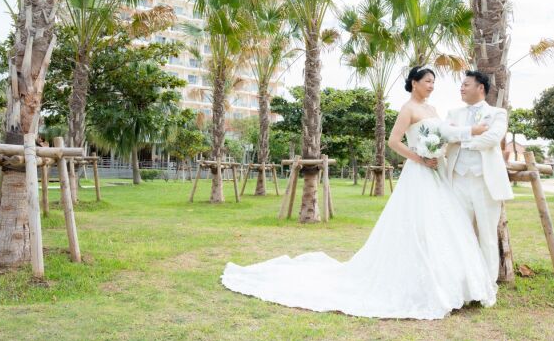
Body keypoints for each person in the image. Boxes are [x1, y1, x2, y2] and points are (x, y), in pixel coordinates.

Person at [220, 66, 497, 319]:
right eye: (427, 82)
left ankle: (455, 285)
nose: (431, 86)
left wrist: (458, 139)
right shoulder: (408, 108)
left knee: (443, 226)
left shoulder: (434, 109)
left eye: (433, 83)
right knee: (416, 225)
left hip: (436, 174)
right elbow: (393, 141)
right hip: (418, 173)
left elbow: (445, 133)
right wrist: (418, 157)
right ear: (414, 83)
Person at [440, 70, 514, 283]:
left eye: (466, 84)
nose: (461, 88)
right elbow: (446, 134)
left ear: (480, 87)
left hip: (485, 182)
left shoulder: (498, 113)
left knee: (487, 236)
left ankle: (487, 284)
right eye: (461, 85)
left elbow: (492, 138)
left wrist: (462, 138)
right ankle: (462, 283)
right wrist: (471, 131)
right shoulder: (453, 113)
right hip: (457, 180)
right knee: (459, 233)